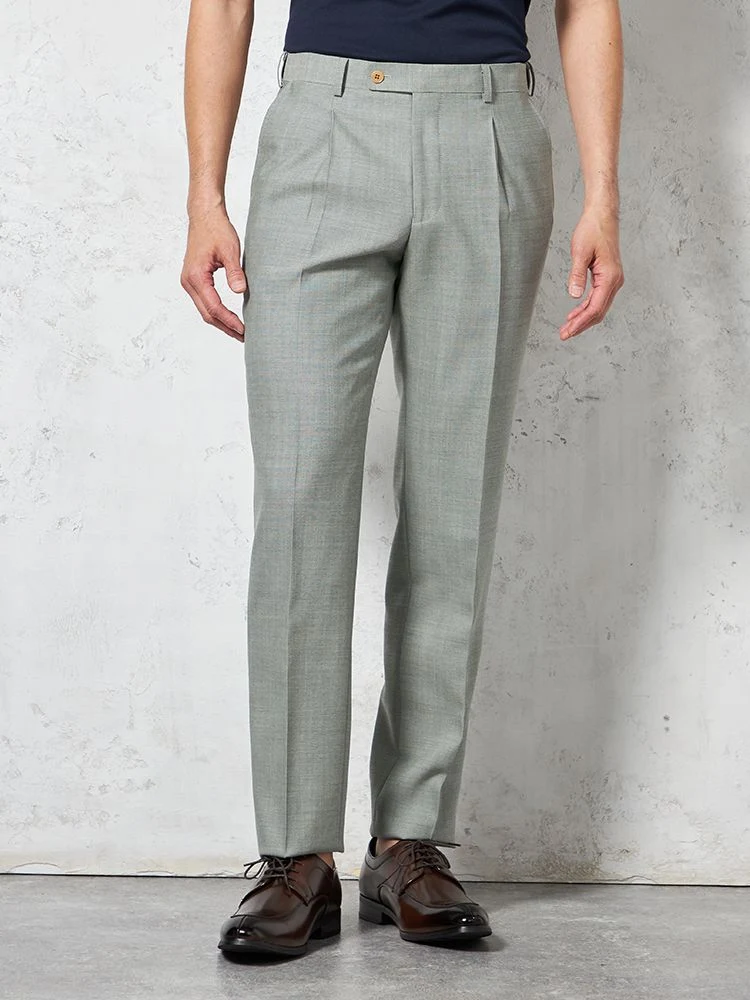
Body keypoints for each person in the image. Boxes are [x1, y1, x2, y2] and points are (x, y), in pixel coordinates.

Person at [181, 0, 624, 958]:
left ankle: (408, 842)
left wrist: (604, 194)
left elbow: (588, 4)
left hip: (488, 133)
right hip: (321, 129)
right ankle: (295, 854)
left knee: (453, 506)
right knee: (297, 504)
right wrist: (203, 196)